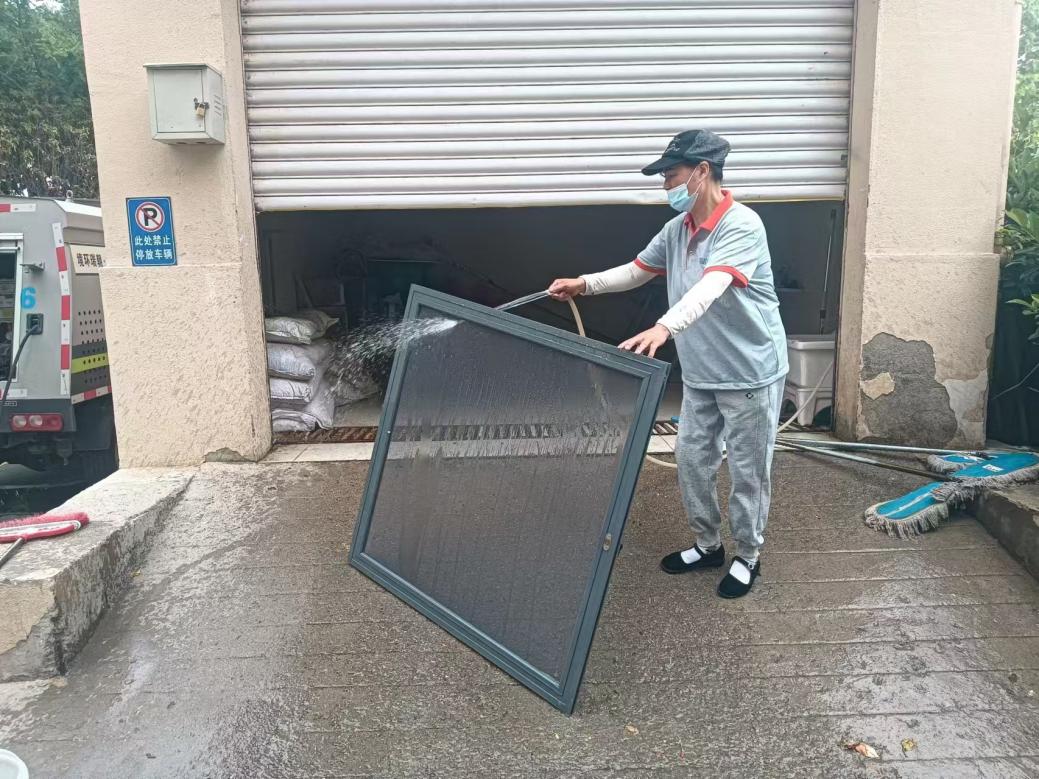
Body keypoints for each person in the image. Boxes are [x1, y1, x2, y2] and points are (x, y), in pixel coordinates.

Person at [548, 129, 788, 598]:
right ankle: (708, 545)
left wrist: (664, 327)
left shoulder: (742, 225)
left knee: (748, 471)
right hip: (701, 371)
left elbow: (712, 286)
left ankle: (748, 555)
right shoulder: (677, 230)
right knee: (692, 461)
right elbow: (637, 271)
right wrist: (584, 283)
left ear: (702, 171)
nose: (665, 185)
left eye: (670, 175)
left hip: (749, 371)